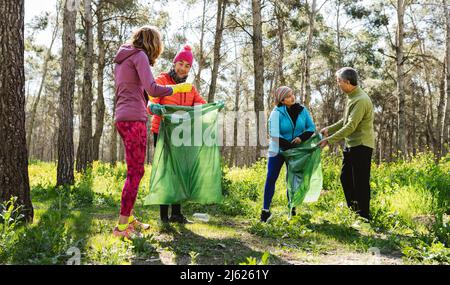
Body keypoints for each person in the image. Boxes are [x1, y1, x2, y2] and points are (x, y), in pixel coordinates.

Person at [113, 26, 193, 238]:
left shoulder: (122, 58)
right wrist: (177, 89)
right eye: (158, 43)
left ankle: (129, 218)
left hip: (121, 116)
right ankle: (121, 227)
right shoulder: (139, 55)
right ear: (152, 43)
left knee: (134, 170)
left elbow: (137, 89)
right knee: (136, 172)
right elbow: (153, 88)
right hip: (134, 119)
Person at [149, 44, 207, 224]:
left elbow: (200, 105)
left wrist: (213, 107)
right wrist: (154, 108)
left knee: (180, 173)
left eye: (187, 66)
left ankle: (176, 214)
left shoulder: (189, 87)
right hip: (162, 132)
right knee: (165, 173)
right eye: (180, 63)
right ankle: (163, 217)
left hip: (181, 135)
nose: (183, 68)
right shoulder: (162, 80)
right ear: (174, 63)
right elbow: (150, 101)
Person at [318, 67, 375, 220]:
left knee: (360, 182)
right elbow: (345, 121)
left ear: (348, 82)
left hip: (362, 145)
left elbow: (351, 126)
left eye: (339, 82)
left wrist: (329, 140)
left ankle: (364, 217)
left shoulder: (361, 100)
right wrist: (328, 130)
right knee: (345, 178)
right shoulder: (351, 96)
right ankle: (355, 212)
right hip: (351, 145)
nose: (338, 84)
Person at [261, 86, 316, 222]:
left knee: (292, 180)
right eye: (288, 96)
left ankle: (292, 210)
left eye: (292, 94)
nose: (292, 97)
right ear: (282, 100)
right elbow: (274, 135)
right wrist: (290, 146)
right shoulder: (276, 113)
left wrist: (301, 138)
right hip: (277, 150)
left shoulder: (302, 110)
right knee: (271, 178)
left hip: (295, 152)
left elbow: (311, 128)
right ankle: (265, 211)